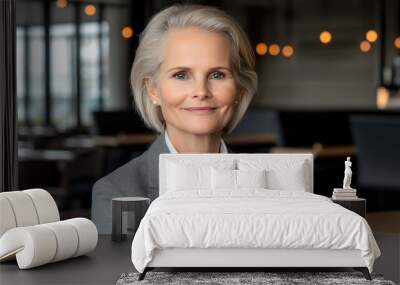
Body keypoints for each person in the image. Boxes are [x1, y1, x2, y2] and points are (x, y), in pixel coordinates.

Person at [91, 4, 258, 234]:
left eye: (217, 75)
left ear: (239, 89)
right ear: (153, 90)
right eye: (181, 75)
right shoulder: (117, 192)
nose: (201, 91)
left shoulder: (266, 185)